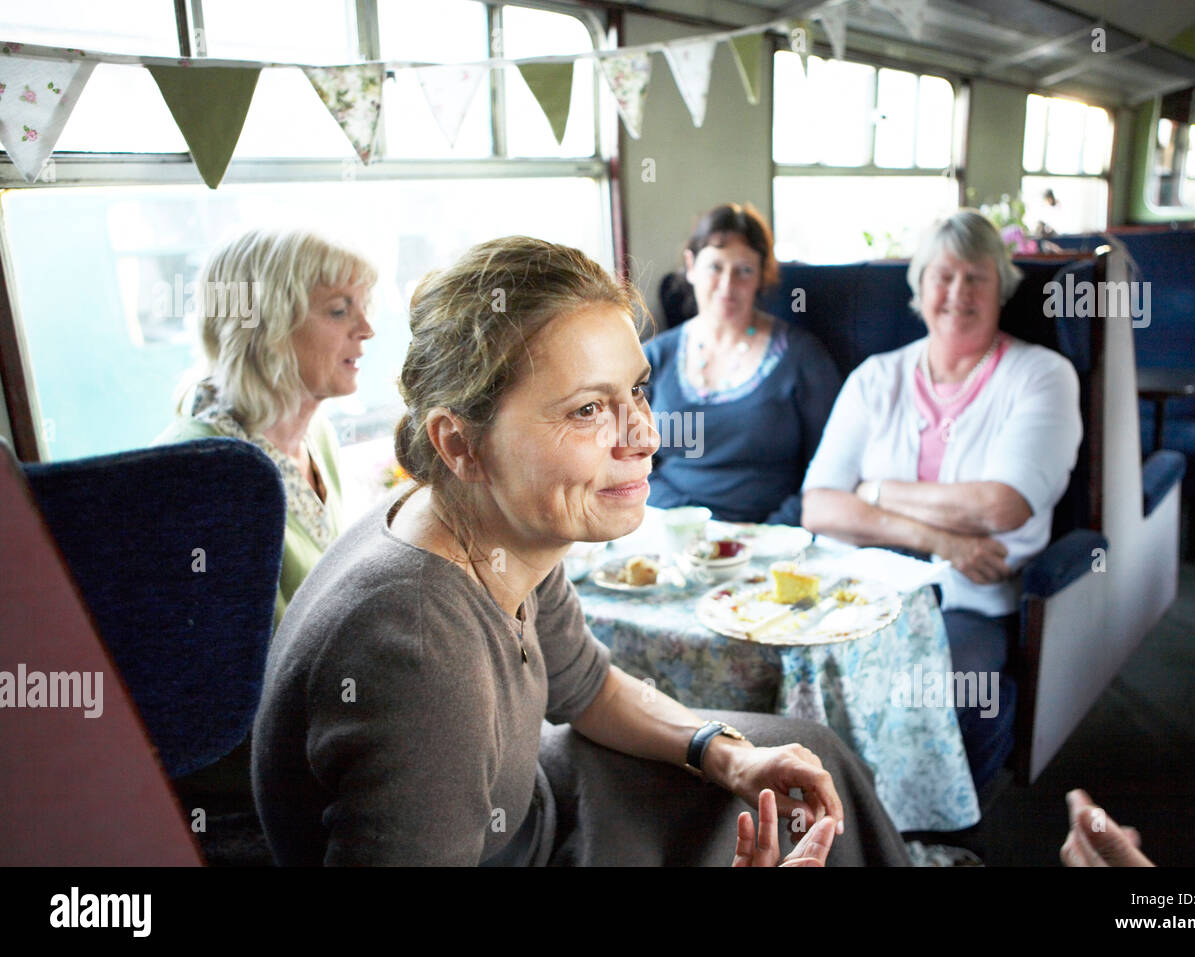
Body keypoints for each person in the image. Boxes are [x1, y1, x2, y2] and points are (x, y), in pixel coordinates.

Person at [251, 235, 911, 867]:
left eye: (637, 391)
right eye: (588, 410)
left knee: (802, 760)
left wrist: (723, 753)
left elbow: (587, 686)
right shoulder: (420, 659)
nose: (645, 435)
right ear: (460, 444)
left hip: (537, 804)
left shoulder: (495, 526)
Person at [801, 209, 1083, 792]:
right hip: (860, 584)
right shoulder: (875, 378)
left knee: (940, 697)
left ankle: (937, 838)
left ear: (1001, 286)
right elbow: (819, 508)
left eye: (976, 277)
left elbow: (1001, 507)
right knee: (799, 682)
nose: (958, 293)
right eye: (942, 276)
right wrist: (942, 540)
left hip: (970, 599)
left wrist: (872, 493)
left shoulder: (1041, 375)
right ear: (920, 288)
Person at [156, 228, 377, 625]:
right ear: (266, 325)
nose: (366, 329)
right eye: (339, 310)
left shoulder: (316, 433)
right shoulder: (197, 471)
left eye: (364, 307)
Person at [642, 203, 841, 526]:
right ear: (691, 267)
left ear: (762, 275)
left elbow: (830, 467)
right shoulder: (653, 358)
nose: (727, 285)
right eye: (715, 267)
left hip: (768, 540)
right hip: (671, 533)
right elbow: (624, 461)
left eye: (744, 270)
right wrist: (695, 527)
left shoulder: (802, 358)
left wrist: (769, 532)